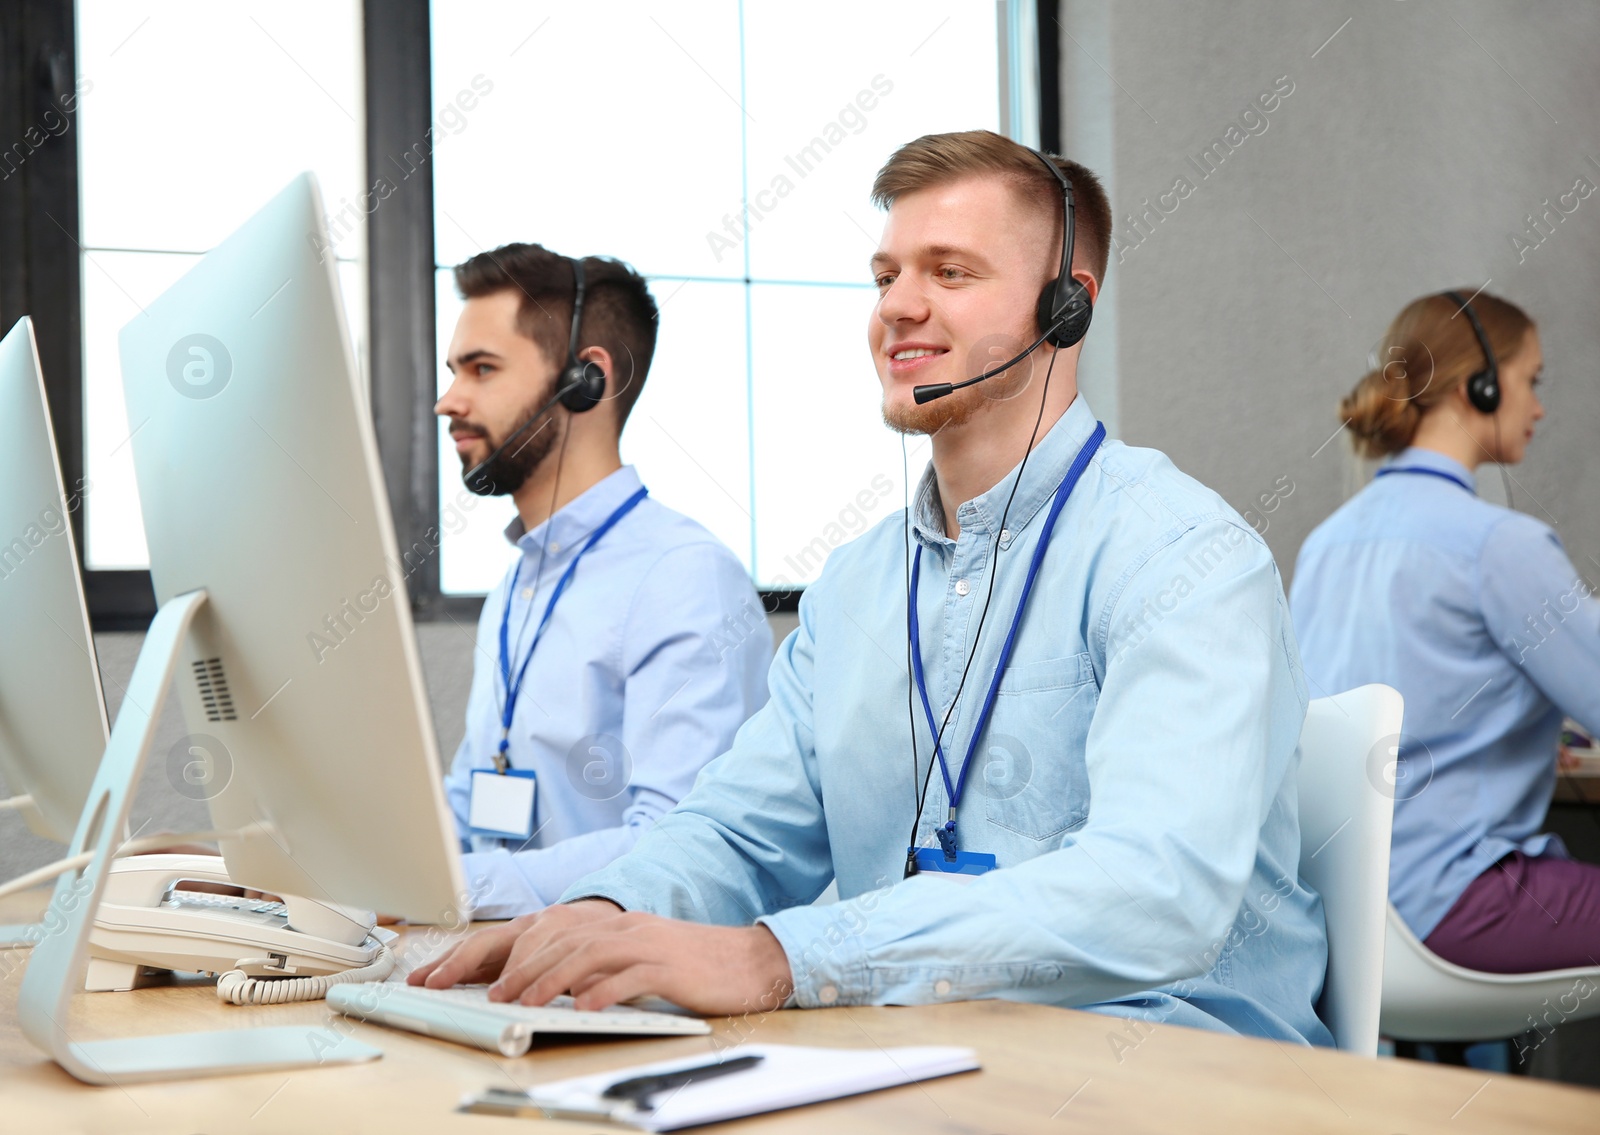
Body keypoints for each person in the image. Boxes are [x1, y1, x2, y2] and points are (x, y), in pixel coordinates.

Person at [412, 132, 1332, 1047]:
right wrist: (597, 914)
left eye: (951, 272)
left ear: (1067, 307)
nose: (899, 305)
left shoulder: (1181, 553)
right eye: (886, 274)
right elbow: (738, 831)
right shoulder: (857, 586)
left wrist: (781, 956)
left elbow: (1156, 890)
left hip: (1172, 1060)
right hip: (931, 1050)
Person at [433, 243, 771, 919]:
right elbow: (474, 800)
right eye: (453, 372)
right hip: (497, 958)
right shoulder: (518, 584)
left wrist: (454, 889)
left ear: (585, 379)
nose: (449, 402)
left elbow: (674, 845)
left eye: (481, 369)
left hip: (625, 995)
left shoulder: (684, 580)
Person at [1291, 288, 1600, 973]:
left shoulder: (1325, 543)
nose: (1540, 407)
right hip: (1452, 904)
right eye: (1531, 381)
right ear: (1478, 388)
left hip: (1339, 921)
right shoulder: (1498, 545)